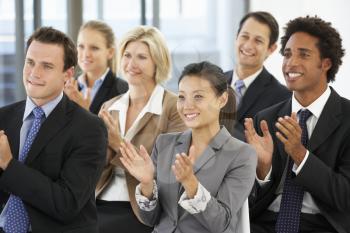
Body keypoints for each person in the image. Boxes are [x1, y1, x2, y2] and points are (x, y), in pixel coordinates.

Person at [120, 61, 257, 233]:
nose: (187, 106)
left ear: (222, 99)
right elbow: (150, 220)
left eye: (198, 96)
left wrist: (191, 184)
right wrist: (147, 184)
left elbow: (220, 223)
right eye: (182, 97)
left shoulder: (242, 154)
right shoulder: (164, 143)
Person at [245, 16, 350, 233]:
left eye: (303, 54)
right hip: (264, 225)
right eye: (287, 54)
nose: (291, 63)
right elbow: (246, 198)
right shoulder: (265, 119)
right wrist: (263, 171)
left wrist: (300, 154)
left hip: (323, 226)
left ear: (326, 63)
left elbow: (345, 196)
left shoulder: (347, 117)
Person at [0, 27, 107, 233]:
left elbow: (66, 204)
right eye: (30, 62)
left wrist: (8, 164)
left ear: (67, 74)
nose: (34, 73)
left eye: (47, 66)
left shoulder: (90, 129)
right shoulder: (3, 118)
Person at [95, 25, 186, 233]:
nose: (131, 64)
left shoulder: (174, 107)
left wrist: (118, 144)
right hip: (99, 202)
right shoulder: (110, 107)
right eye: (127, 55)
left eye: (142, 57)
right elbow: (95, 165)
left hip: (142, 211)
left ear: (158, 62)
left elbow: (168, 170)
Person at [225, 11, 291, 141]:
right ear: (236, 37)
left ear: (271, 49)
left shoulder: (283, 99)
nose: (248, 45)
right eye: (244, 36)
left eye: (258, 40)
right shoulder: (211, 83)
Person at [64, 20, 128, 114]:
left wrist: (84, 112)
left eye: (94, 48)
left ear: (110, 52)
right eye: (81, 46)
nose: (86, 54)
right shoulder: (68, 87)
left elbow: (114, 128)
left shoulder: (123, 90)